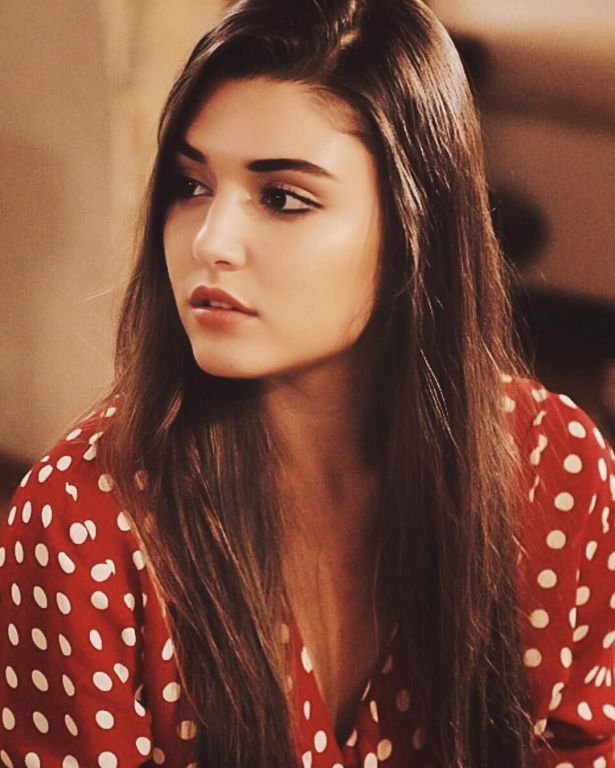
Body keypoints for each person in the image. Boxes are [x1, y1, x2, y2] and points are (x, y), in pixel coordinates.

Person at [1, 0, 613, 766]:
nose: (212, 241)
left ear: (413, 231)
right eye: (191, 185)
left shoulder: (557, 471)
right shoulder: (82, 522)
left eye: (282, 198)